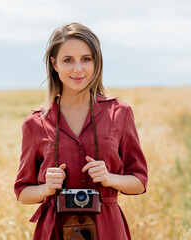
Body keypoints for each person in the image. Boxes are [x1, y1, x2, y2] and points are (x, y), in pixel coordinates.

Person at [14, 22, 148, 240]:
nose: (78, 68)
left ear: (96, 63)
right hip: (55, 229)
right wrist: (46, 188)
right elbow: (23, 192)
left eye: (86, 59)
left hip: (108, 229)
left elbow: (139, 182)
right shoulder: (35, 123)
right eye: (68, 60)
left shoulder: (120, 113)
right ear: (54, 64)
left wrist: (109, 178)